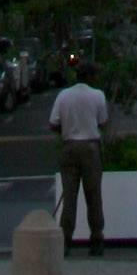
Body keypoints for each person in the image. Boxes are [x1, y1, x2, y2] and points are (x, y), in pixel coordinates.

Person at [50, 60, 110, 255]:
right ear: (91, 77)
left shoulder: (64, 96)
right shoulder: (97, 95)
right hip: (90, 147)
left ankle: (66, 240)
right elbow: (103, 122)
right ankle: (97, 238)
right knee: (93, 195)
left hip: (69, 147)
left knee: (70, 196)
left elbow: (53, 123)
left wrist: (66, 130)